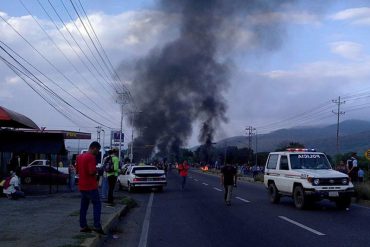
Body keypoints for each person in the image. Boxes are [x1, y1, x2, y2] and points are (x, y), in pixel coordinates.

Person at [75, 141, 104, 234]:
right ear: (94, 148)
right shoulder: (91, 157)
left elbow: (77, 170)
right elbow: (91, 172)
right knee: (97, 205)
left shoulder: (79, 157)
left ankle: (83, 226)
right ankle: (97, 226)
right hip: (90, 186)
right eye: (98, 150)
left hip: (82, 186)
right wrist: (97, 170)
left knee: (83, 206)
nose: (98, 152)